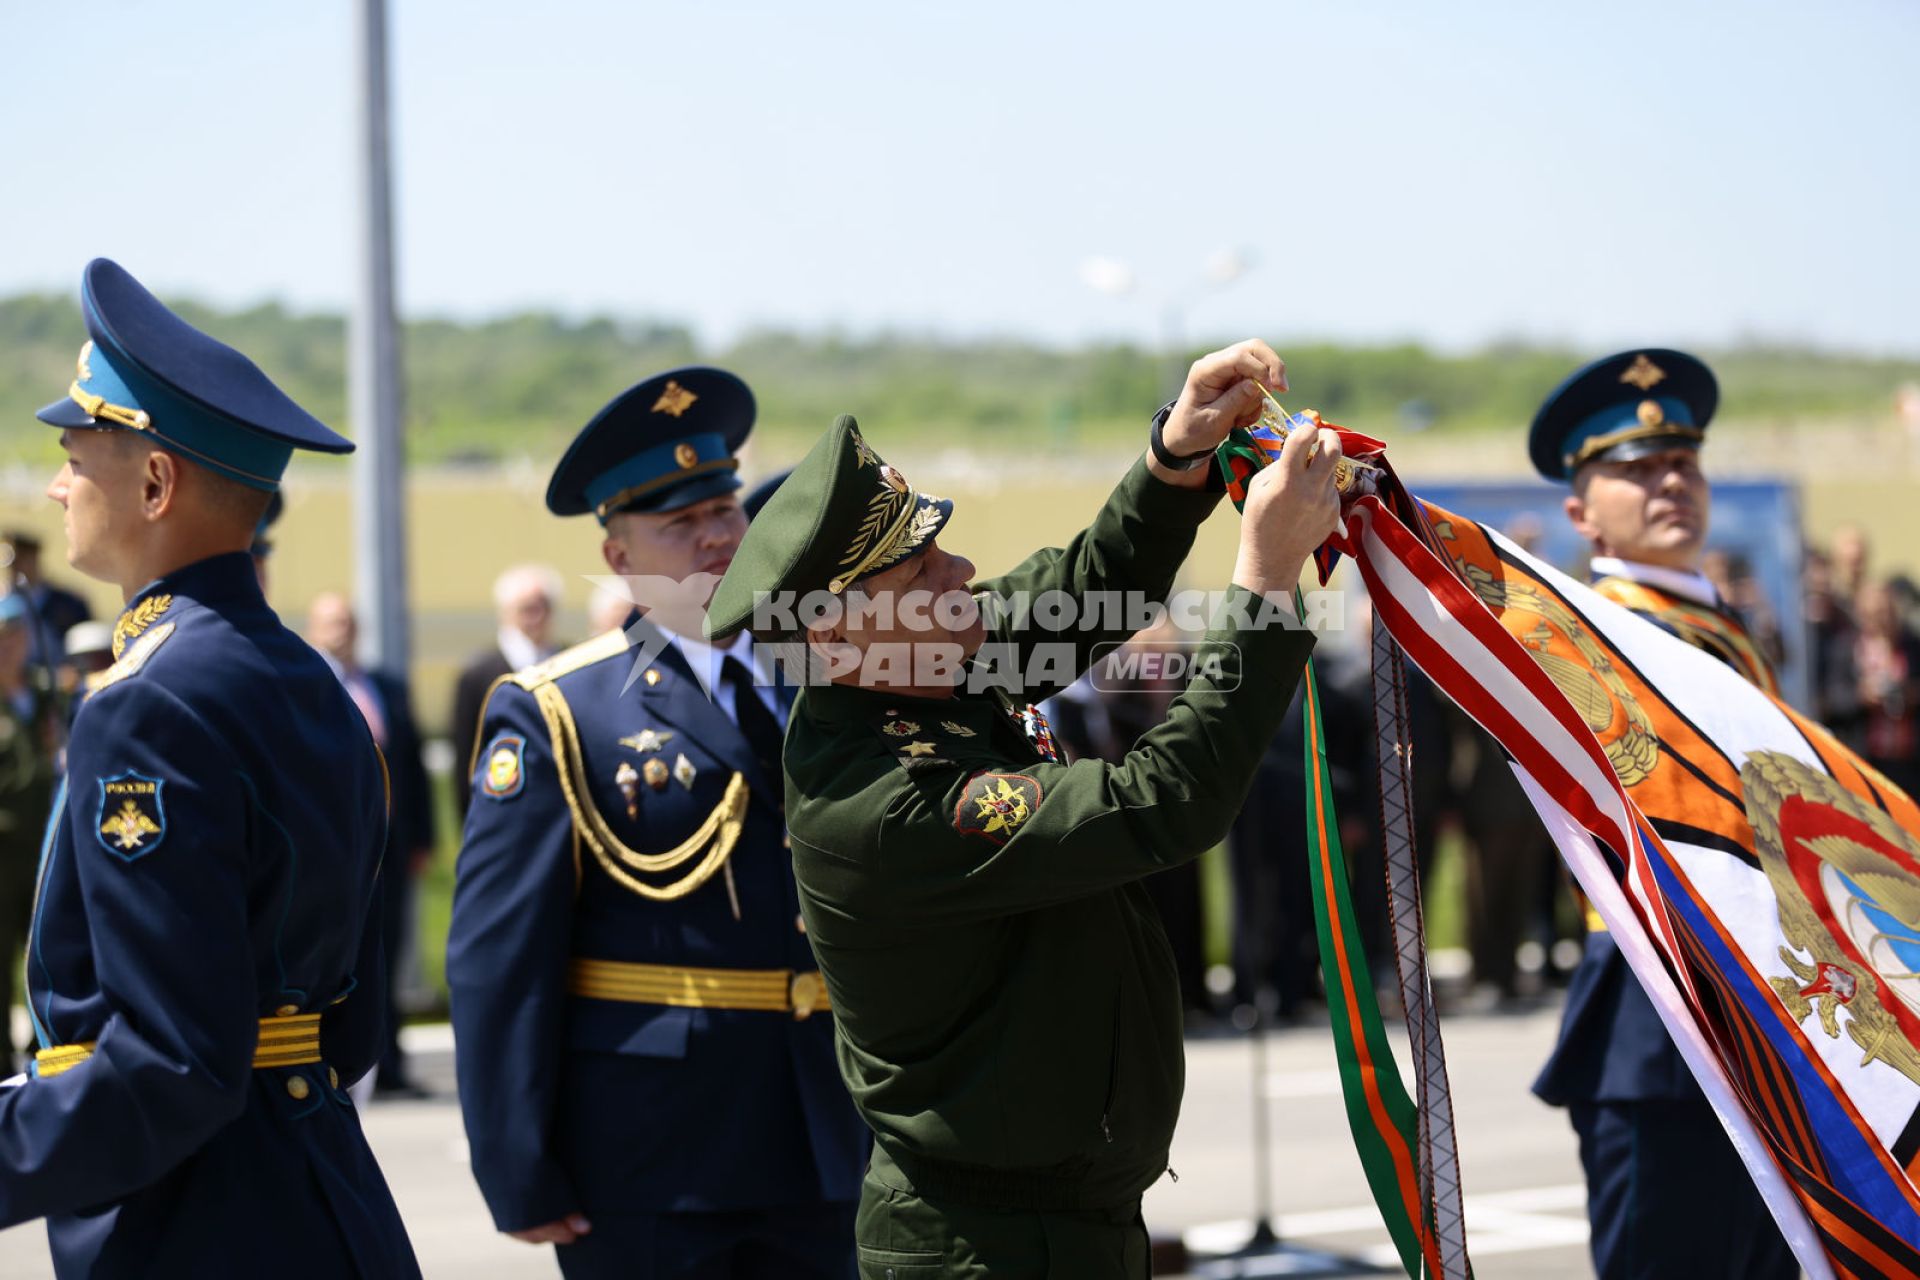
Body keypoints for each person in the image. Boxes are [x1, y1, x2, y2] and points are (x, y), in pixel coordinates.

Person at [705, 340, 1342, 1271]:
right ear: (834, 635)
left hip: (1067, 1216)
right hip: (986, 1246)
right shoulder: (883, 798)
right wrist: (1267, 586)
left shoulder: (921, 659)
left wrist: (1178, 453)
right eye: (917, 573)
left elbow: (1087, 589)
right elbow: (1160, 802)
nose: (959, 570)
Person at [0, 257, 416, 1276]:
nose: (57, 482)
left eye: (75, 451)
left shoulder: (146, 700)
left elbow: (171, 1059)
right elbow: (346, 1027)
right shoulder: (310, 681)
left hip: (201, 1224)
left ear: (153, 480)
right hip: (320, 1186)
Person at [447, 367, 868, 1279]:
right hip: (650, 1154)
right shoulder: (559, 709)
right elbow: (500, 959)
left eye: (724, 508)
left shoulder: (827, 676)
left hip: (832, 1132)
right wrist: (516, 1161)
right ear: (620, 559)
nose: (717, 536)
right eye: (679, 525)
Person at [1526, 348, 1796, 1279]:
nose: (1669, 482)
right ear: (1579, 511)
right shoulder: (1597, 632)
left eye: (1683, 462)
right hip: (1664, 1015)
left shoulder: (1720, 627)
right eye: (1635, 471)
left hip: (1765, 1007)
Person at [306, 591, 437, 1098]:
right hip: (336, 846)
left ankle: (391, 1062)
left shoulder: (385, 686)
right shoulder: (308, 687)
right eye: (331, 623)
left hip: (393, 844)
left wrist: (422, 836)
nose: (342, 631)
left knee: (390, 948)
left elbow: (415, 765)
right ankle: (340, 1056)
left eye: (348, 622)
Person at [449, 563, 563, 824]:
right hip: (501, 804)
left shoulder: (567, 661)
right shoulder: (479, 672)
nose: (536, 616)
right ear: (505, 612)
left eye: (543, 606)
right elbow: (466, 750)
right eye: (526, 608)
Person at [0, 593, 60, 1073]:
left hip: (48, 856)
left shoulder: (45, 697)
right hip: (3, 858)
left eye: (16, 636)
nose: (8, 647)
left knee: (51, 964)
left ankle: (50, 1064)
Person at [2, 530, 92, 669]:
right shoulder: (4, 603)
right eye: (11, 564)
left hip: (64, 678)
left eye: (21, 560)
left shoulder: (68, 602)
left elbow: (87, 644)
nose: (15, 568)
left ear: (34, 558)